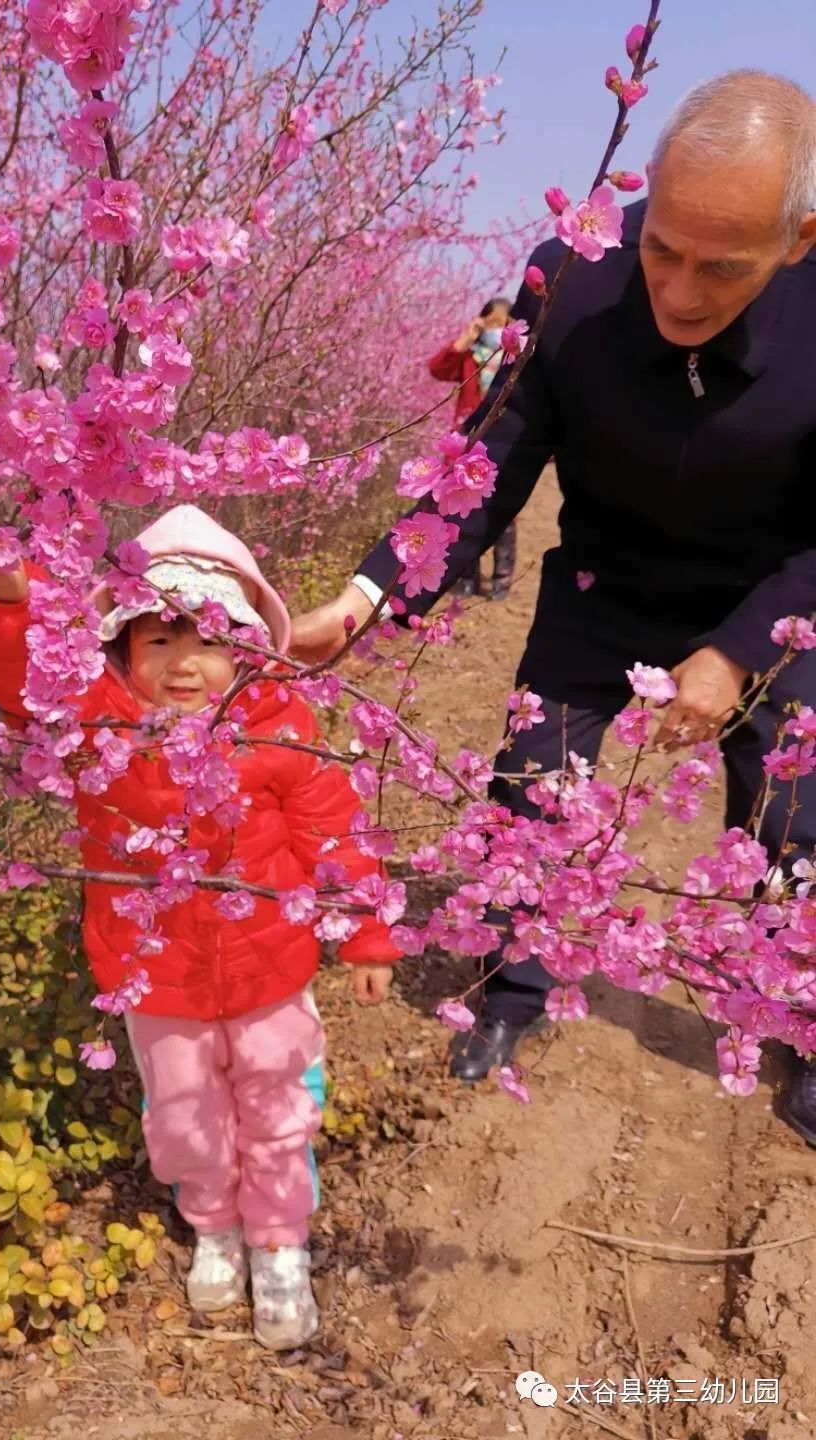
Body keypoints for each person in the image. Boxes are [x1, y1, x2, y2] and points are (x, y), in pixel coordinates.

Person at [289, 71, 816, 1145]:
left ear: (798, 240)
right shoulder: (572, 274)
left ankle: (803, 1021)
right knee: (530, 795)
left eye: (723, 267)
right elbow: (487, 465)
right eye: (663, 249)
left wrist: (734, 652)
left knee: (795, 824)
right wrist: (363, 597)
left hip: (774, 604)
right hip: (601, 589)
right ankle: (512, 988)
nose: (679, 293)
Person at [0, 504, 399, 1348]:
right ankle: (214, 1227)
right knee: (182, 1116)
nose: (183, 663)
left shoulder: (279, 723)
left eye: (207, 640)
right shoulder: (96, 727)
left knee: (279, 1103)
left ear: (246, 645)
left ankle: (280, 1244)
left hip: (270, 968)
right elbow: (24, 686)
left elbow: (333, 833)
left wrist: (365, 930)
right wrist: (11, 602)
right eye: (157, 641)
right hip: (156, 972)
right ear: (121, 650)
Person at [427, 296, 518, 599]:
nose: (497, 329)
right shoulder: (470, 358)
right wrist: (467, 337)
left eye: (503, 323)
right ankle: (466, 578)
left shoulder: (516, 360)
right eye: (491, 323)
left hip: (502, 441)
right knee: (463, 513)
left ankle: (501, 580)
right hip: (465, 443)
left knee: (503, 513)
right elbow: (437, 369)